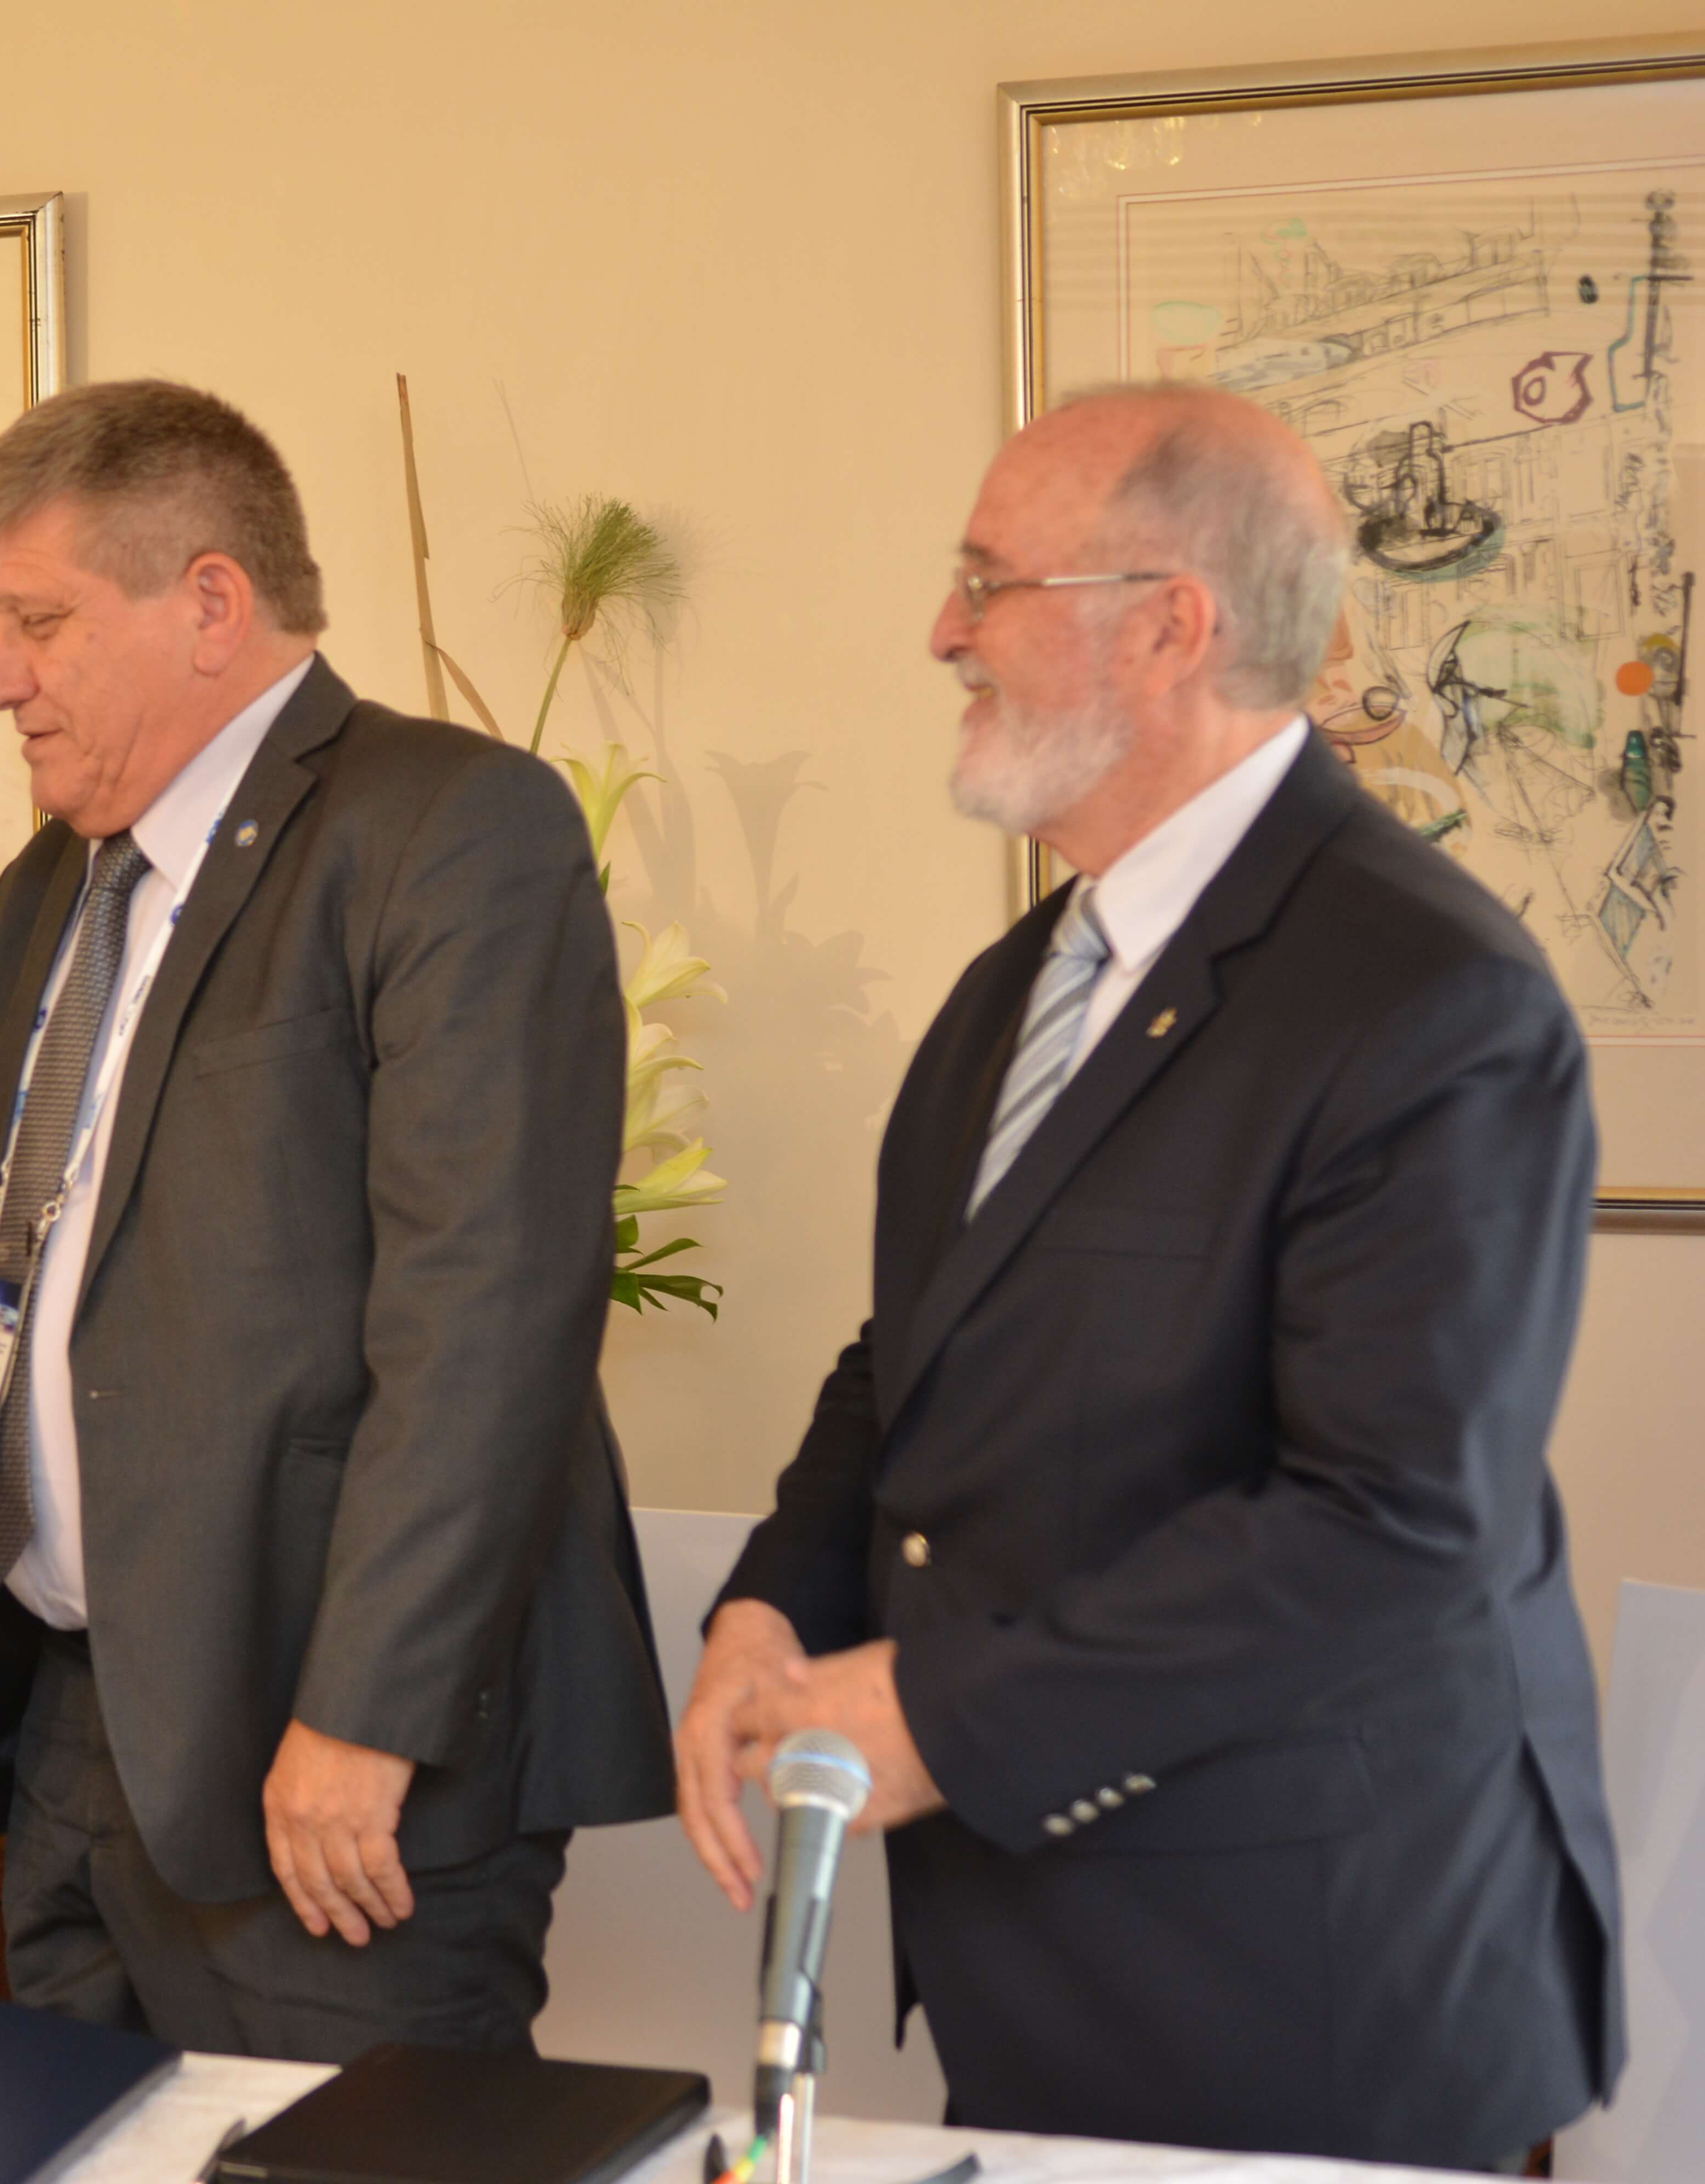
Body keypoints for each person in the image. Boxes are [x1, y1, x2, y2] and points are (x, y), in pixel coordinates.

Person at [676, 384, 1620, 2171]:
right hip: (1046, 1968)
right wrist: (774, 1606)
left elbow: (1394, 1522)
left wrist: (942, 1714)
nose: (941, 631)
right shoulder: (1016, 986)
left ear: (1172, 623)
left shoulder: (1432, 1002)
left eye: (987, 580)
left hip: (1314, 1997)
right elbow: (917, 1359)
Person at [0, 379, 676, 2062]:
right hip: (75, 1729)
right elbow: (19, 1230)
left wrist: (363, 1719)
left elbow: (489, 1311)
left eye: (38, 622)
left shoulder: (448, 830)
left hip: (330, 1750)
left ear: (209, 603)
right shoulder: (43, 892)